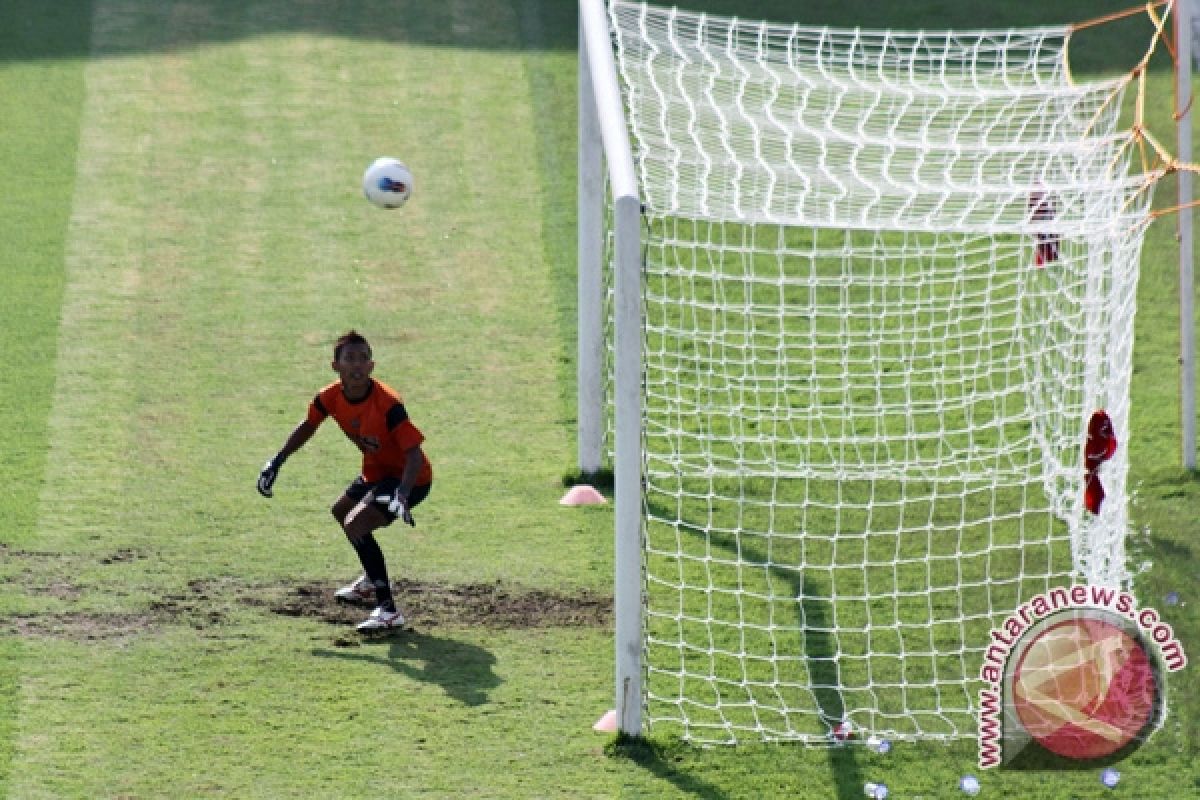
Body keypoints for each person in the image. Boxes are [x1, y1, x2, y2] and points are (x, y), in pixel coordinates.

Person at [256, 330, 433, 631]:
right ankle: (369, 581)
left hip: (409, 479)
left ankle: (388, 611)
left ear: (372, 366)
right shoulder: (330, 397)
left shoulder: (388, 404)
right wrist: (277, 460)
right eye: (350, 359)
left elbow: (415, 455)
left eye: (364, 359)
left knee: (357, 524)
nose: (358, 365)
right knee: (341, 512)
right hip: (376, 472)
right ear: (335, 366)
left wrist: (402, 494)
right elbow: (308, 425)